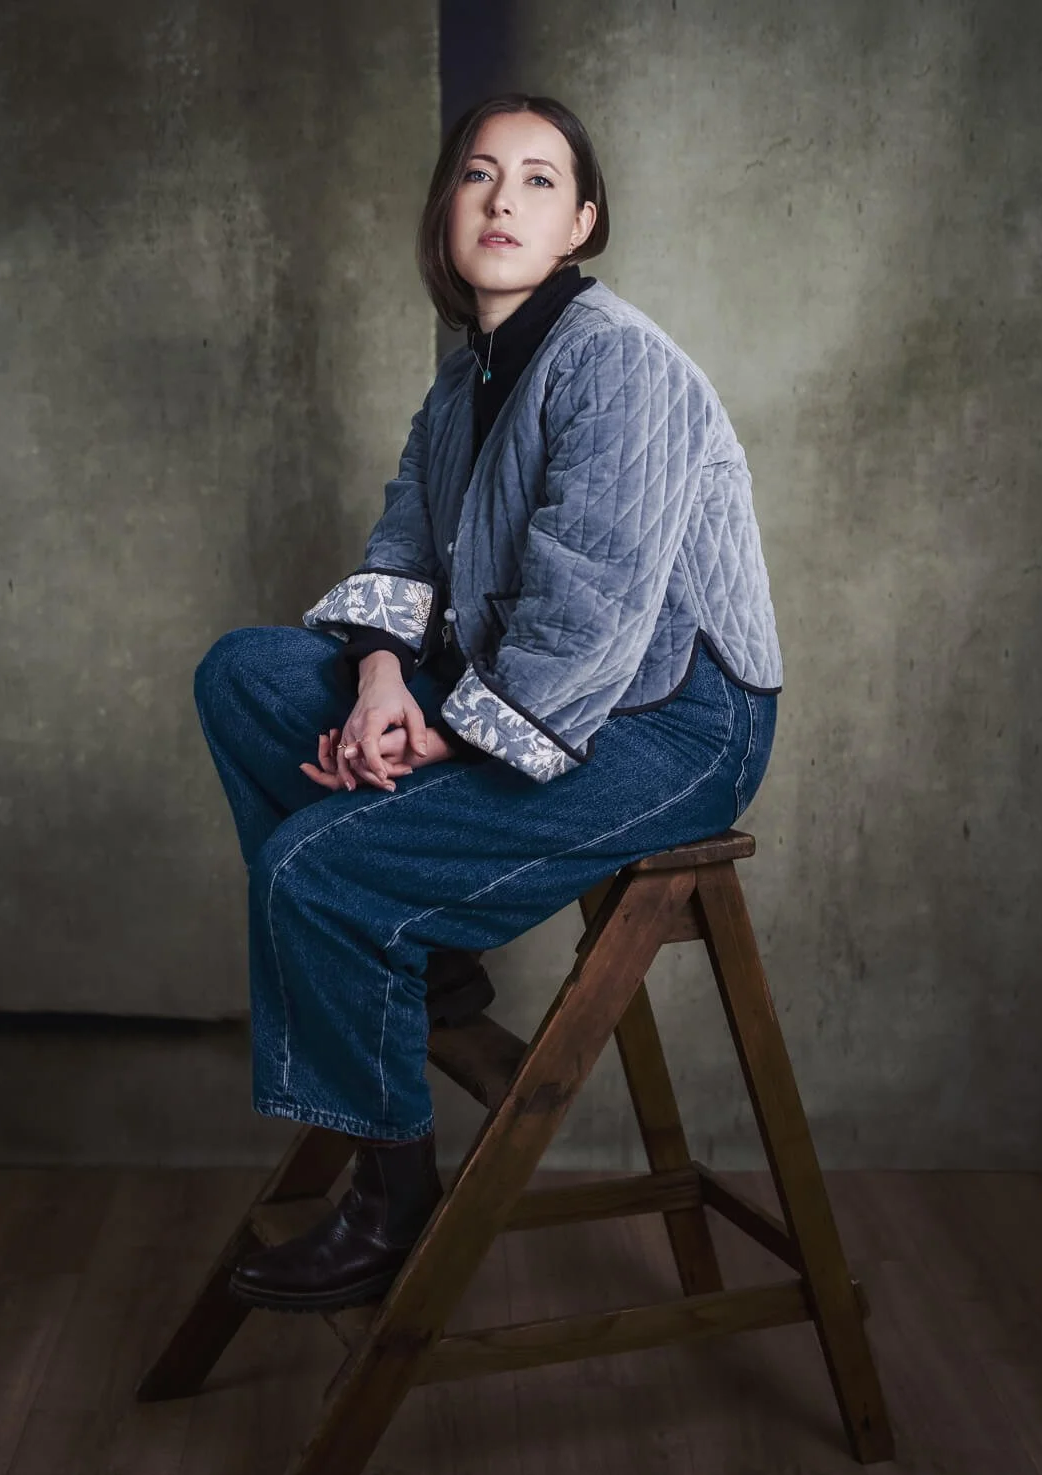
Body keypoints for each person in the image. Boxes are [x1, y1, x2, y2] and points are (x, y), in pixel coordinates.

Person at [192, 94, 783, 1312]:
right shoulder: (461, 385)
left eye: (537, 180)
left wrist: (431, 719)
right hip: (515, 689)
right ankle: (425, 965)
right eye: (476, 175)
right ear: (446, 212)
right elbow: (402, 548)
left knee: (313, 868)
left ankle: (389, 1189)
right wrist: (373, 682)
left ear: (581, 224)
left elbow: (588, 618)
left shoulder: (618, 364)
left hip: (670, 721)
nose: (502, 199)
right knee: (241, 674)